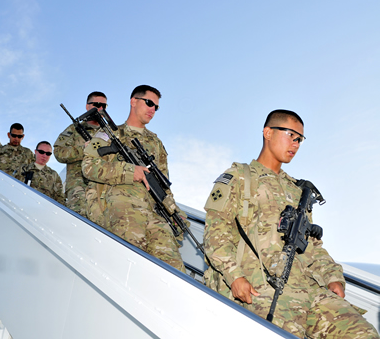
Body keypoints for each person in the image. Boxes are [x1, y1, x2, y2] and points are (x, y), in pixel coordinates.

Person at [203, 109, 379, 338]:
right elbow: (215, 233)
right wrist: (234, 276)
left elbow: (312, 245)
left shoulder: (297, 190)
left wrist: (332, 276)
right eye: (290, 135)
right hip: (264, 289)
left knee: (363, 334)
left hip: (309, 288)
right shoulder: (240, 176)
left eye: (300, 139)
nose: (295, 144)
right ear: (268, 132)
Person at [82, 85, 186, 272]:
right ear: (133, 101)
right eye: (149, 103)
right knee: (129, 272)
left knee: (175, 273)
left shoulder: (156, 143)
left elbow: (164, 184)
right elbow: (89, 167)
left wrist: (174, 211)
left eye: (156, 107)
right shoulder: (108, 133)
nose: (152, 110)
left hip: (156, 216)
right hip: (124, 214)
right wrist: (130, 171)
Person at [54, 91, 105, 218]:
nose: (100, 108)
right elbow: (58, 152)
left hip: (105, 190)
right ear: (87, 106)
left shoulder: (110, 132)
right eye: (97, 104)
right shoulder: (74, 129)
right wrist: (83, 149)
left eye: (104, 105)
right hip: (79, 189)